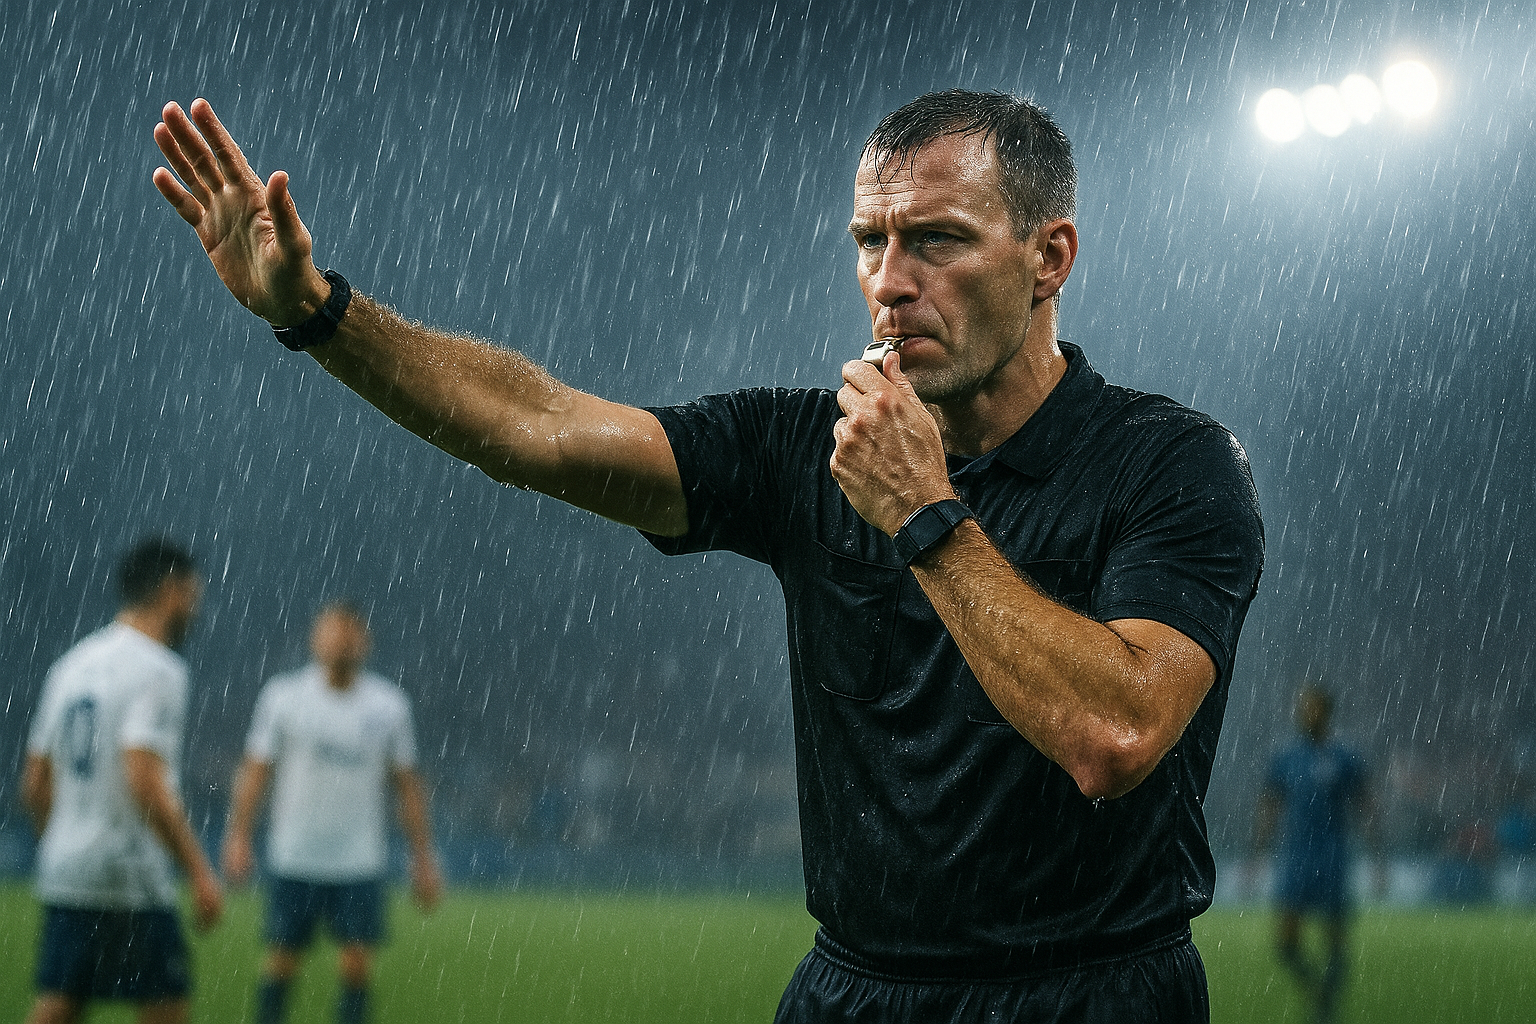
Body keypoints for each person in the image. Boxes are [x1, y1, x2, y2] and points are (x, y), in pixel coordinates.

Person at [154, 88, 1264, 1022]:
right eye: (869, 241)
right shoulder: (802, 447)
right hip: (855, 989)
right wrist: (319, 315)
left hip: (1091, 993)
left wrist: (924, 513)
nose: (890, 279)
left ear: (1049, 257)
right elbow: (538, 426)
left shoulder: (1171, 465)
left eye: (937, 238)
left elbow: (1115, 733)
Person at [20, 537, 223, 1024]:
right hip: (128, 873)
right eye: (193, 595)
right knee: (165, 1006)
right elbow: (144, 779)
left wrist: (64, 842)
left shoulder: (71, 665)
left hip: (67, 869)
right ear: (171, 591)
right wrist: (199, 870)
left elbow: (35, 782)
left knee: (60, 1002)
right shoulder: (160, 670)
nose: (197, 609)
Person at [221, 602, 441, 1024]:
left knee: (356, 967)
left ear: (366, 642)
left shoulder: (389, 706)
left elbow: (408, 785)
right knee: (281, 962)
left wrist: (423, 856)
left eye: (350, 634)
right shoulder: (283, 697)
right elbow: (255, 770)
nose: (341, 643)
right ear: (315, 640)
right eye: (332, 633)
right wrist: (238, 836)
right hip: (295, 855)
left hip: (359, 860)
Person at [1254, 684, 1375, 1024]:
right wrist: (1256, 854)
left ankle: (1325, 1009)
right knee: (1286, 943)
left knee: (1336, 942)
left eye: (1312, 708)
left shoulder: (1344, 755)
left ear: (1326, 712)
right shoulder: (1285, 757)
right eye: (1303, 707)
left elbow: (1365, 805)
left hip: (1333, 856)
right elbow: (1270, 806)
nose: (1306, 713)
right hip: (1295, 857)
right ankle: (1317, 990)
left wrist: (1378, 858)